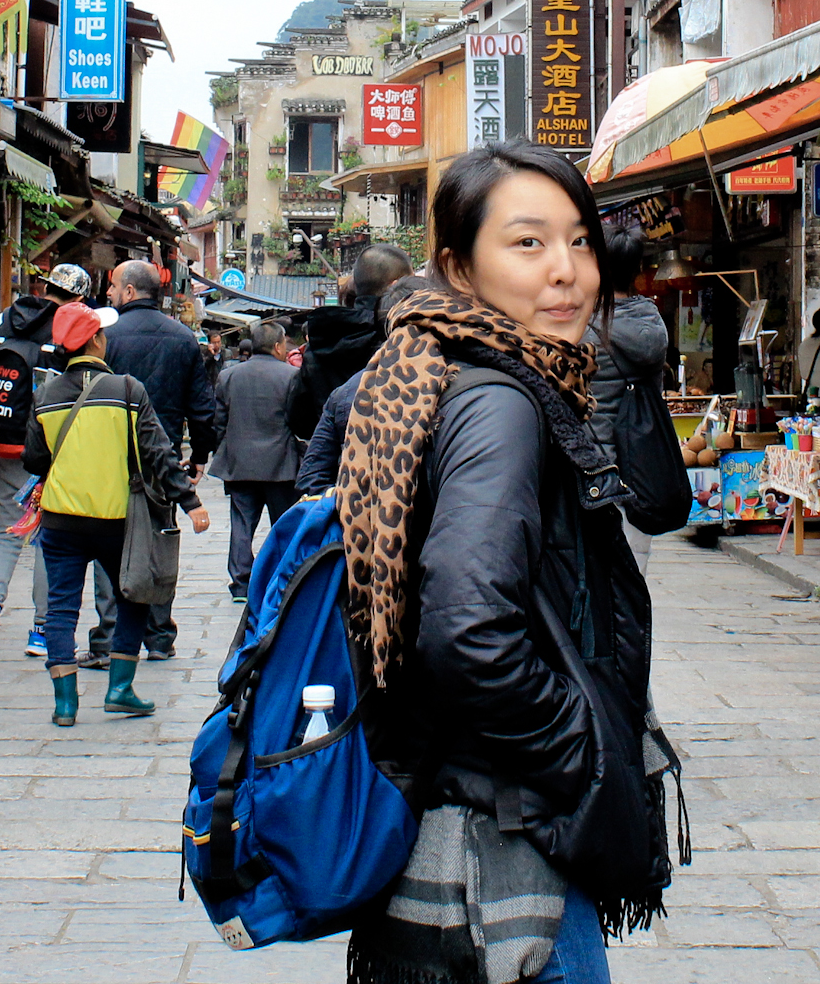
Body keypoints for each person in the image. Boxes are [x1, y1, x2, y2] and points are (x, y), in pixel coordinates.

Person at [341, 144, 671, 981]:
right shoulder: (499, 401)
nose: (566, 272)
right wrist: (585, 754)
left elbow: (661, 502)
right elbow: (467, 626)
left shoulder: (428, 368)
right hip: (512, 846)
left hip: (450, 813)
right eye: (528, 244)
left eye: (581, 241)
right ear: (459, 265)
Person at [22, 302, 209, 727]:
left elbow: (35, 459)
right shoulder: (127, 390)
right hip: (116, 522)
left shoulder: (45, 396)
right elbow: (158, 453)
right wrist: (191, 503)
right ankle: (120, 689)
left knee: (61, 608)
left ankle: (65, 703)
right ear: (94, 342)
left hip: (60, 520)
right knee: (134, 597)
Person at [96, 258, 221, 662]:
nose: (110, 293)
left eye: (114, 287)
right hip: (160, 457)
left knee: (110, 539)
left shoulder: (107, 338)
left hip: (109, 453)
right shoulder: (183, 338)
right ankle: (159, 634)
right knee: (159, 540)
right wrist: (198, 455)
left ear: (129, 291)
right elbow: (202, 407)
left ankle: (110, 633)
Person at [0, 261, 90, 663]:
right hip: (46, 445)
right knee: (45, 537)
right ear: (77, 297)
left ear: (45, 285)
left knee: (6, 530)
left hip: (1, 439)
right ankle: (41, 629)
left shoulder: (4, 317)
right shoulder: (68, 324)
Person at [587, 222, 692, 572]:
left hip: (596, 472)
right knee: (633, 584)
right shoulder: (654, 322)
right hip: (641, 472)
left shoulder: (584, 330)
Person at [295, 273, 429, 497]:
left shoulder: (348, 391)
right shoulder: (458, 387)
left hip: (359, 524)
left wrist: (349, 505)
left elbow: (310, 478)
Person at [285, 243, 411, 451]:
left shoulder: (322, 341)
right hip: (402, 463)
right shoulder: (405, 336)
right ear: (395, 285)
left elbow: (301, 421)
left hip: (339, 466)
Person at [211, 319, 302, 601]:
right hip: (281, 464)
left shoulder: (229, 376)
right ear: (277, 346)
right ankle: (283, 577)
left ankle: (240, 583)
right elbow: (298, 420)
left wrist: (224, 449)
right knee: (283, 523)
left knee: (241, 524)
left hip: (240, 463)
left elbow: (218, 422)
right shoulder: (291, 377)